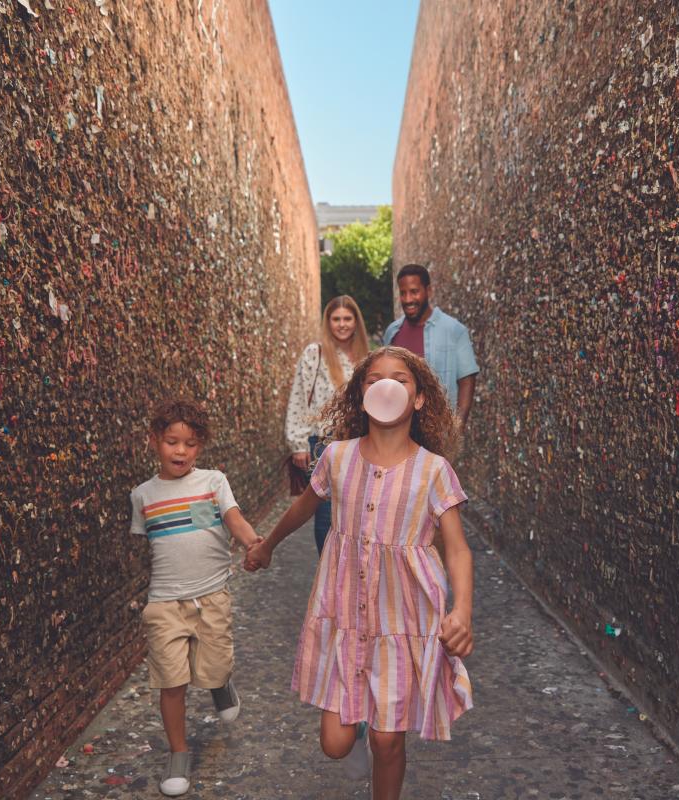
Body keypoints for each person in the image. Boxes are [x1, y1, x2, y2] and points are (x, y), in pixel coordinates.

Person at [247, 346, 475, 800]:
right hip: (344, 616)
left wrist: (462, 610)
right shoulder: (337, 457)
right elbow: (301, 509)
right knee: (334, 744)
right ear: (360, 394)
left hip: (403, 618)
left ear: (419, 399)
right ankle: (355, 740)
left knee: (388, 739)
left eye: (400, 378)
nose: (386, 385)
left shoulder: (435, 471)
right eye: (373, 378)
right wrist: (267, 545)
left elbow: (459, 550)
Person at [129, 398, 263, 797]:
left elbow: (233, 518)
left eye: (190, 444)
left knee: (214, 666)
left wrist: (252, 542)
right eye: (172, 442)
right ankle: (178, 755)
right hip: (164, 603)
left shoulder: (213, 482)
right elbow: (145, 548)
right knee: (171, 682)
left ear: (200, 446)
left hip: (211, 597)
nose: (181, 451)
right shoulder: (143, 496)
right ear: (155, 441)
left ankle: (220, 683)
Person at [284, 296, 370, 554]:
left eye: (347, 318)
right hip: (324, 443)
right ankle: (329, 571)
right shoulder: (315, 353)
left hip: (362, 443)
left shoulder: (368, 357)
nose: (342, 324)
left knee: (360, 511)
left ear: (356, 322)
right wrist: (298, 443)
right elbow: (299, 397)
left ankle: (355, 568)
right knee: (325, 514)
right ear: (328, 322)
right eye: (336, 319)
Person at [382, 264, 479, 427]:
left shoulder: (454, 330)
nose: (407, 299)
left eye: (414, 291)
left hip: (439, 430)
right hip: (398, 429)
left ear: (429, 291)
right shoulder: (392, 332)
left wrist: (458, 427)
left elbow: (467, 380)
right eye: (403, 293)